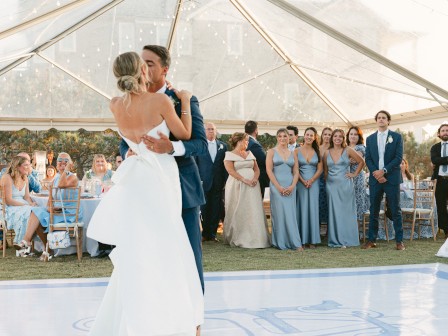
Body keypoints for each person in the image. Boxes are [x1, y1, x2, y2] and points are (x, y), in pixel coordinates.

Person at [87, 51, 203, 335]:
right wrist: (185, 100)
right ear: (141, 70)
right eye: (144, 64)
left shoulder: (115, 104)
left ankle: (142, 317)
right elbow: (186, 134)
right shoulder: (163, 101)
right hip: (160, 178)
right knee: (169, 245)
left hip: (139, 183)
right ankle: (175, 319)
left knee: (141, 247)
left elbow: (192, 143)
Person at [123, 45, 207, 296]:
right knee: (151, 254)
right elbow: (123, 140)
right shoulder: (130, 100)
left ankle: (194, 315)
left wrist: (171, 147)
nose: (143, 67)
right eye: (141, 62)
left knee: (189, 254)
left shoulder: (184, 99)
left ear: (164, 69)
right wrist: (126, 153)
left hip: (182, 190)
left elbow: (200, 144)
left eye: (150, 63)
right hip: (147, 191)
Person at [15, 152, 81, 260]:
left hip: (69, 213)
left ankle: (39, 247)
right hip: (57, 212)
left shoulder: (73, 178)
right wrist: (50, 208)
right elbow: (50, 200)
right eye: (60, 160)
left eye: (66, 161)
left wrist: (66, 170)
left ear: (71, 164)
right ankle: (28, 242)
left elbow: (62, 185)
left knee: (38, 215)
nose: (62, 162)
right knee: (35, 212)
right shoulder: (55, 179)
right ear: (56, 163)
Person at [363, 110, 405, 250]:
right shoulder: (369, 139)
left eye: (384, 118)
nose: (381, 120)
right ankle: (371, 240)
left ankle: (399, 241)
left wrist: (384, 171)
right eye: (379, 118)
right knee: (374, 209)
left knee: (395, 210)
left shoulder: (397, 137)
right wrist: (376, 173)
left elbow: (398, 158)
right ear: (376, 121)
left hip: (391, 178)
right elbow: (368, 158)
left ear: (388, 121)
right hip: (375, 179)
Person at [223, 132, 270, 248]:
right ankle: (239, 236)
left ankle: (257, 237)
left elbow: (257, 169)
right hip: (237, 185)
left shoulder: (250, 153)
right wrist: (244, 180)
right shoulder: (229, 155)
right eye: (246, 140)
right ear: (239, 141)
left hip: (253, 186)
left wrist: (254, 178)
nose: (248, 143)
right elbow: (231, 171)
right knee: (239, 208)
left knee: (253, 209)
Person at [324, 129, 364, 248]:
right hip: (331, 186)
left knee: (345, 213)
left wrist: (354, 174)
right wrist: (328, 183)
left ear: (343, 138)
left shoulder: (348, 150)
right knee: (334, 213)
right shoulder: (327, 152)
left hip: (346, 185)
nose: (337, 138)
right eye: (335, 136)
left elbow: (361, 162)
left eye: (340, 136)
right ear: (332, 138)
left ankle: (348, 239)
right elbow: (325, 171)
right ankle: (336, 239)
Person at [266, 128, 301, 250]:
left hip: (290, 186)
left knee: (291, 214)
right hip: (277, 187)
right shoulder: (271, 151)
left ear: (289, 138)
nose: (282, 138)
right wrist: (278, 187)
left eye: (285, 136)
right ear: (277, 138)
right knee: (279, 214)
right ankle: (280, 242)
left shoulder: (293, 153)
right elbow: (269, 170)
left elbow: (296, 171)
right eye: (280, 136)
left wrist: (292, 186)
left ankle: (295, 242)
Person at [195, 122, 228, 242]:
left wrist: (225, 181)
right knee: (204, 209)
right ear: (204, 131)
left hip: (218, 183)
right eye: (208, 129)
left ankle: (213, 234)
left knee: (216, 209)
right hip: (203, 182)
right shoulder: (200, 146)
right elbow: (196, 164)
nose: (211, 131)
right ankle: (204, 233)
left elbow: (225, 165)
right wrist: (197, 180)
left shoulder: (223, 146)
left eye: (213, 129)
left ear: (216, 131)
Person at [0, 156, 37, 248]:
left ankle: (26, 242)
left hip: (22, 205)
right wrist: (27, 205)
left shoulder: (25, 178)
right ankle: (22, 243)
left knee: (37, 211)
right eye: (26, 165)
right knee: (29, 211)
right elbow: (8, 200)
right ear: (17, 166)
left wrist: (31, 203)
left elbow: (27, 197)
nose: (29, 167)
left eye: (29, 165)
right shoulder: (7, 178)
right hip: (8, 207)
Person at [297, 127, 322, 248]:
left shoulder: (318, 152)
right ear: (304, 135)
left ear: (315, 137)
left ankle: (312, 239)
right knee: (301, 208)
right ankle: (302, 239)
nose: (309, 137)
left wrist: (311, 180)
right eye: (307, 134)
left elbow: (320, 169)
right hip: (300, 183)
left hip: (314, 183)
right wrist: (302, 181)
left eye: (311, 135)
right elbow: (295, 169)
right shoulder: (296, 151)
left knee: (313, 208)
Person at [347, 126, 368, 220]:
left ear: (359, 137)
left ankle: (357, 230)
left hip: (357, 176)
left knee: (357, 202)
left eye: (355, 134)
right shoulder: (346, 147)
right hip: (347, 177)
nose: (353, 136)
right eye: (351, 134)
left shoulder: (360, 147)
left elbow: (353, 160)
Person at [431, 124, 448, 240]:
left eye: (447, 130)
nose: (445, 132)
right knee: (441, 206)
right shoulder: (435, 147)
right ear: (439, 134)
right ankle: (446, 231)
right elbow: (434, 160)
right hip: (440, 180)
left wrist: (441, 161)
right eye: (443, 131)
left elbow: (438, 161)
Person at [245, 120, 269, 198]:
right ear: (256, 130)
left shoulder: (246, 141)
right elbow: (264, 160)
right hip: (258, 177)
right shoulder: (254, 144)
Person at [318, 127, 332, 233]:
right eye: (325, 134)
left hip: (331, 178)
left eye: (329, 134)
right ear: (322, 136)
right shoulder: (317, 148)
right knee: (319, 203)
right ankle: (318, 229)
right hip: (318, 179)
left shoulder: (334, 148)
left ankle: (329, 231)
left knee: (330, 203)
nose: (327, 136)